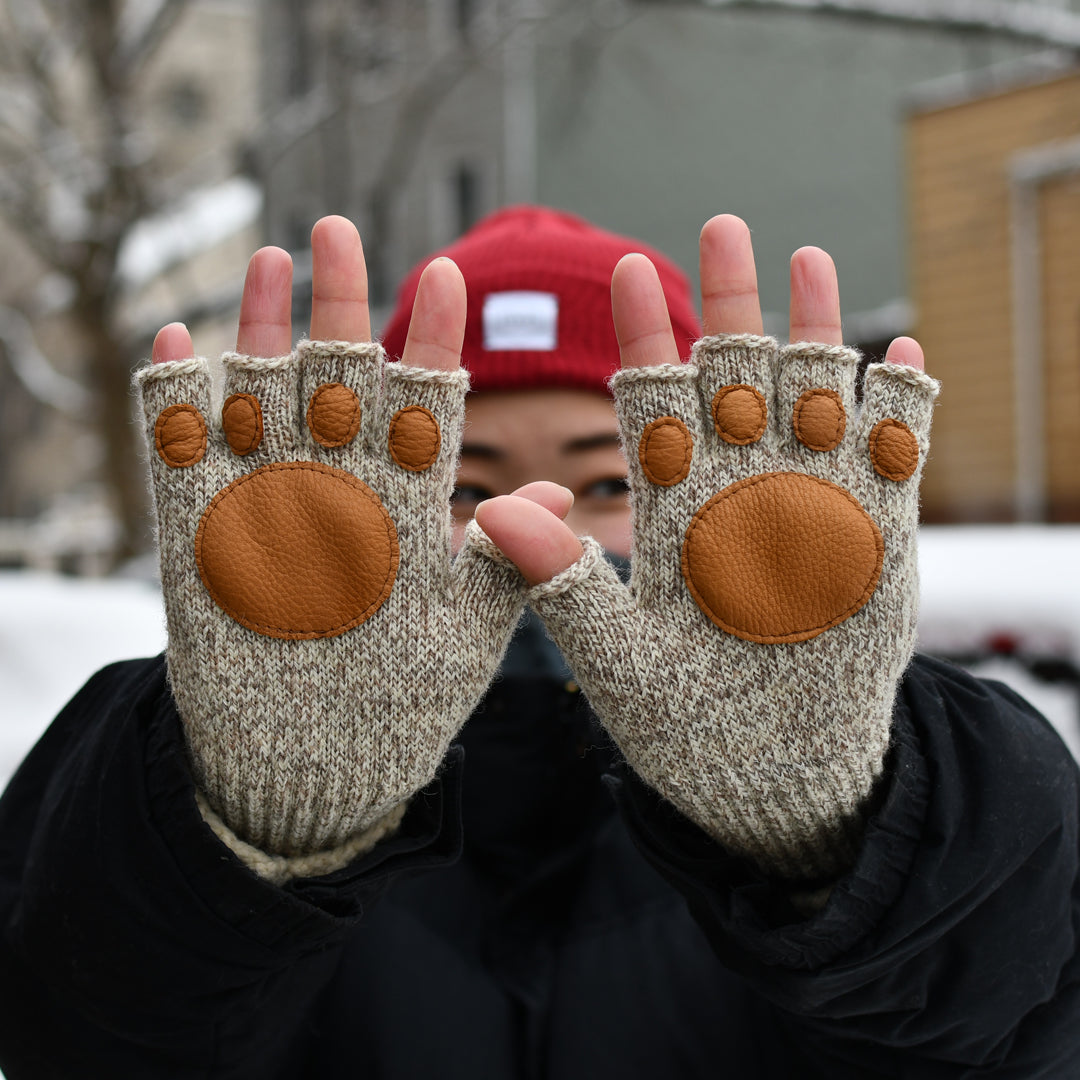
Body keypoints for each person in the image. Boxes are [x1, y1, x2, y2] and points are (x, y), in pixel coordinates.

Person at [0, 205, 1077, 1078]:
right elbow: (83, 1037)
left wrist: (820, 842)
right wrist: (264, 830)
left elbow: (1014, 1037)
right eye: (467, 484)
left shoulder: (914, 783)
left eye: (610, 482)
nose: (535, 524)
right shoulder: (183, 771)